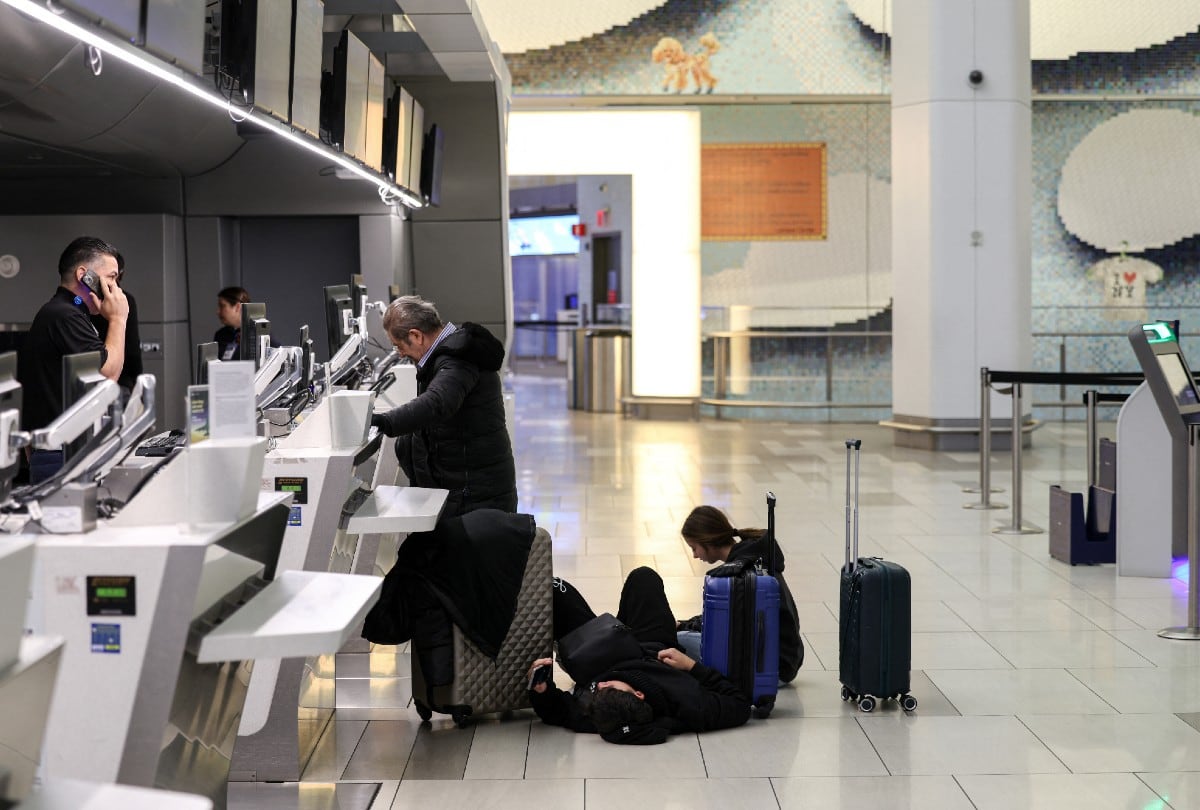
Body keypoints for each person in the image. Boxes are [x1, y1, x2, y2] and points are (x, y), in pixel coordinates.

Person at [527, 567, 751, 745]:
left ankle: (612, 629)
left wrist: (541, 690)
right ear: (639, 694)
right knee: (644, 577)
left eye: (598, 690)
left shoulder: (599, 713)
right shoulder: (688, 703)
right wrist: (692, 666)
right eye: (609, 686)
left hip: (596, 656)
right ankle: (636, 627)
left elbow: (556, 712)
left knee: (553, 588)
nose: (600, 685)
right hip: (656, 648)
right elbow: (740, 704)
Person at [370, 295, 517, 517]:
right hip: (469, 489)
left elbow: (437, 403)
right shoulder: (450, 353)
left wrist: (384, 421)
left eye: (398, 346)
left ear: (416, 336)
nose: (400, 353)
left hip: (472, 496)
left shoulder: (458, 358)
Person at [17, 236, 129, 483]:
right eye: (111, 277)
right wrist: (119, 319)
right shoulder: (65, 316)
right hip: (62, 453)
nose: (116, 289)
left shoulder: (68, 311)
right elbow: (107, 375)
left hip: (61, 450)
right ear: (84, 276)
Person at [676, 505, 804, 682]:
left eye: (694, 548)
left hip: (769, 669)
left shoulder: (737, 575)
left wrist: (683, 628)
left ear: (707, 541)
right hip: (785, 660)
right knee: (684, 635)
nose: (695, 556)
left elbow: (720, 626)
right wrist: (685, 624)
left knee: (678, 641)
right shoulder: (753, 556)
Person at [90, 250, 143, 395]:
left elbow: (132, 347)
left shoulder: (123, 300)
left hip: (109, 380)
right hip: (113, 381)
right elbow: (133, 349)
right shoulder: (124, 299)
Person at [214, 286, 249, 360]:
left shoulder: (259, 333)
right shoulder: (220, 335)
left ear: (237, 307)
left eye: (222, 306)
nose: (218, 312)